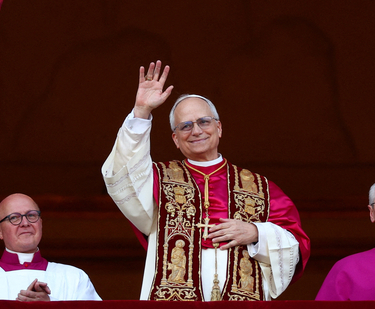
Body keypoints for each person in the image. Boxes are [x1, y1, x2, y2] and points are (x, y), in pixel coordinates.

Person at [101, 60, 310, 301]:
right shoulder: (157, 179)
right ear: (175, 139)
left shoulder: (260, 187)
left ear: (219, 128)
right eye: (185, 126)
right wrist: (141, 112)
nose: (197, 131)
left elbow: (298, 246)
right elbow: (122, 174)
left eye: (204, 122)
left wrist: (256, 232)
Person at [0, 193, 101, 301]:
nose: (25, 223)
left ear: (40, 223)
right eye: (14, 218)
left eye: (31, 215)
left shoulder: (74, 278)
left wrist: (50, 305)